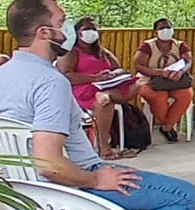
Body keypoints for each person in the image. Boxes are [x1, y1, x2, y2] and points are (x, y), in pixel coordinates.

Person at [0, 0, 195, 210]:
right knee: (183, 197)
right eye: (62, 21)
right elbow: (49, 163)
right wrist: (96, 180)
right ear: (44, 33)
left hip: (24, 189)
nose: (68, 28)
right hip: (62, 188)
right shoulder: (50, 81)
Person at [56, 16, 140, 159]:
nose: (91, 32)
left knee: (139, 84)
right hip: (83, 89)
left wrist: (111, 74)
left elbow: (119, 68)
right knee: (104, 103)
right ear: (78, 33)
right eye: (86, 29)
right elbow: (66, 75)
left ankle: (106, 95)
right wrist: (95, 78)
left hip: (106, 86)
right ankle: (104, 148)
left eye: (93, 29)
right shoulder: (72, 52)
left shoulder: (102, 52)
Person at [134, 17, 194, 143]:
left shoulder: (180, 45)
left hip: (175, 81)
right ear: (155, 32)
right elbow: (139, 65)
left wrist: (181, 72)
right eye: (162, 28)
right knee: (158, 97)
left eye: (168, 27)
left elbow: (188, 61)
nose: (166, 30)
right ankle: (169, 125)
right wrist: (160, 72)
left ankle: (166, 127)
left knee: (186, 95)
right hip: (149, 80)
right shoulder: (147, 46)